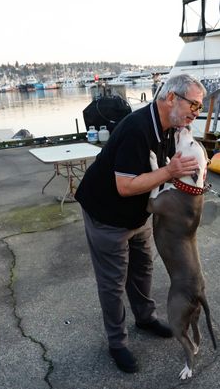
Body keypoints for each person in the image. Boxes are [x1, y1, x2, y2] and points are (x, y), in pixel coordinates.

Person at [75, 74, 206, 373]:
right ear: (172, 98)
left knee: (143, 267)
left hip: (140, 213)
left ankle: (145, 317)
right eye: (194, 106)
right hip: (107, 214)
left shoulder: (173, 128)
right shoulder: (136, 129)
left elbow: (168, 171)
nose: (195, 114)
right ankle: (117, 343)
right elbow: (125, 186)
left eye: (199, 109)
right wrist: (171, 171)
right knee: (113, 281)